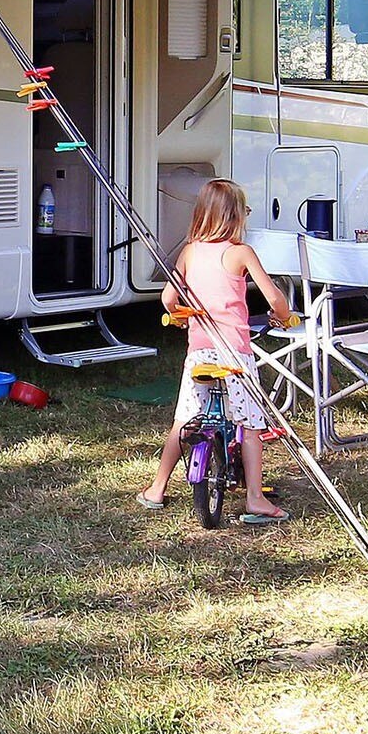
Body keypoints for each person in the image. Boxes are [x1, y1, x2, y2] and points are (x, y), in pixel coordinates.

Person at [138, 178, 292, 524]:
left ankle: (157, 488)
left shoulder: (190, 251)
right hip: (235, 354)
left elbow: (168, 298)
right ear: (236, 216)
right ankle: (255, 498)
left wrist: (180, 317)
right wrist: (282, 316)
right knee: (250, 425)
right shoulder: (241, 252)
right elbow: (274, 298)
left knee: (184, 419)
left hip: (201, 353)